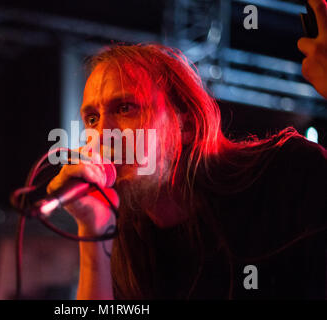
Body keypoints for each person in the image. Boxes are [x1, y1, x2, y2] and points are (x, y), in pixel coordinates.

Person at [46, 0, 327, 299]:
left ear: (187, 125)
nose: (101, 134)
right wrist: (92, 233)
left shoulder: (288, 175)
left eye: (125, 107)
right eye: (92, 118)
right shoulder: (124, 240)